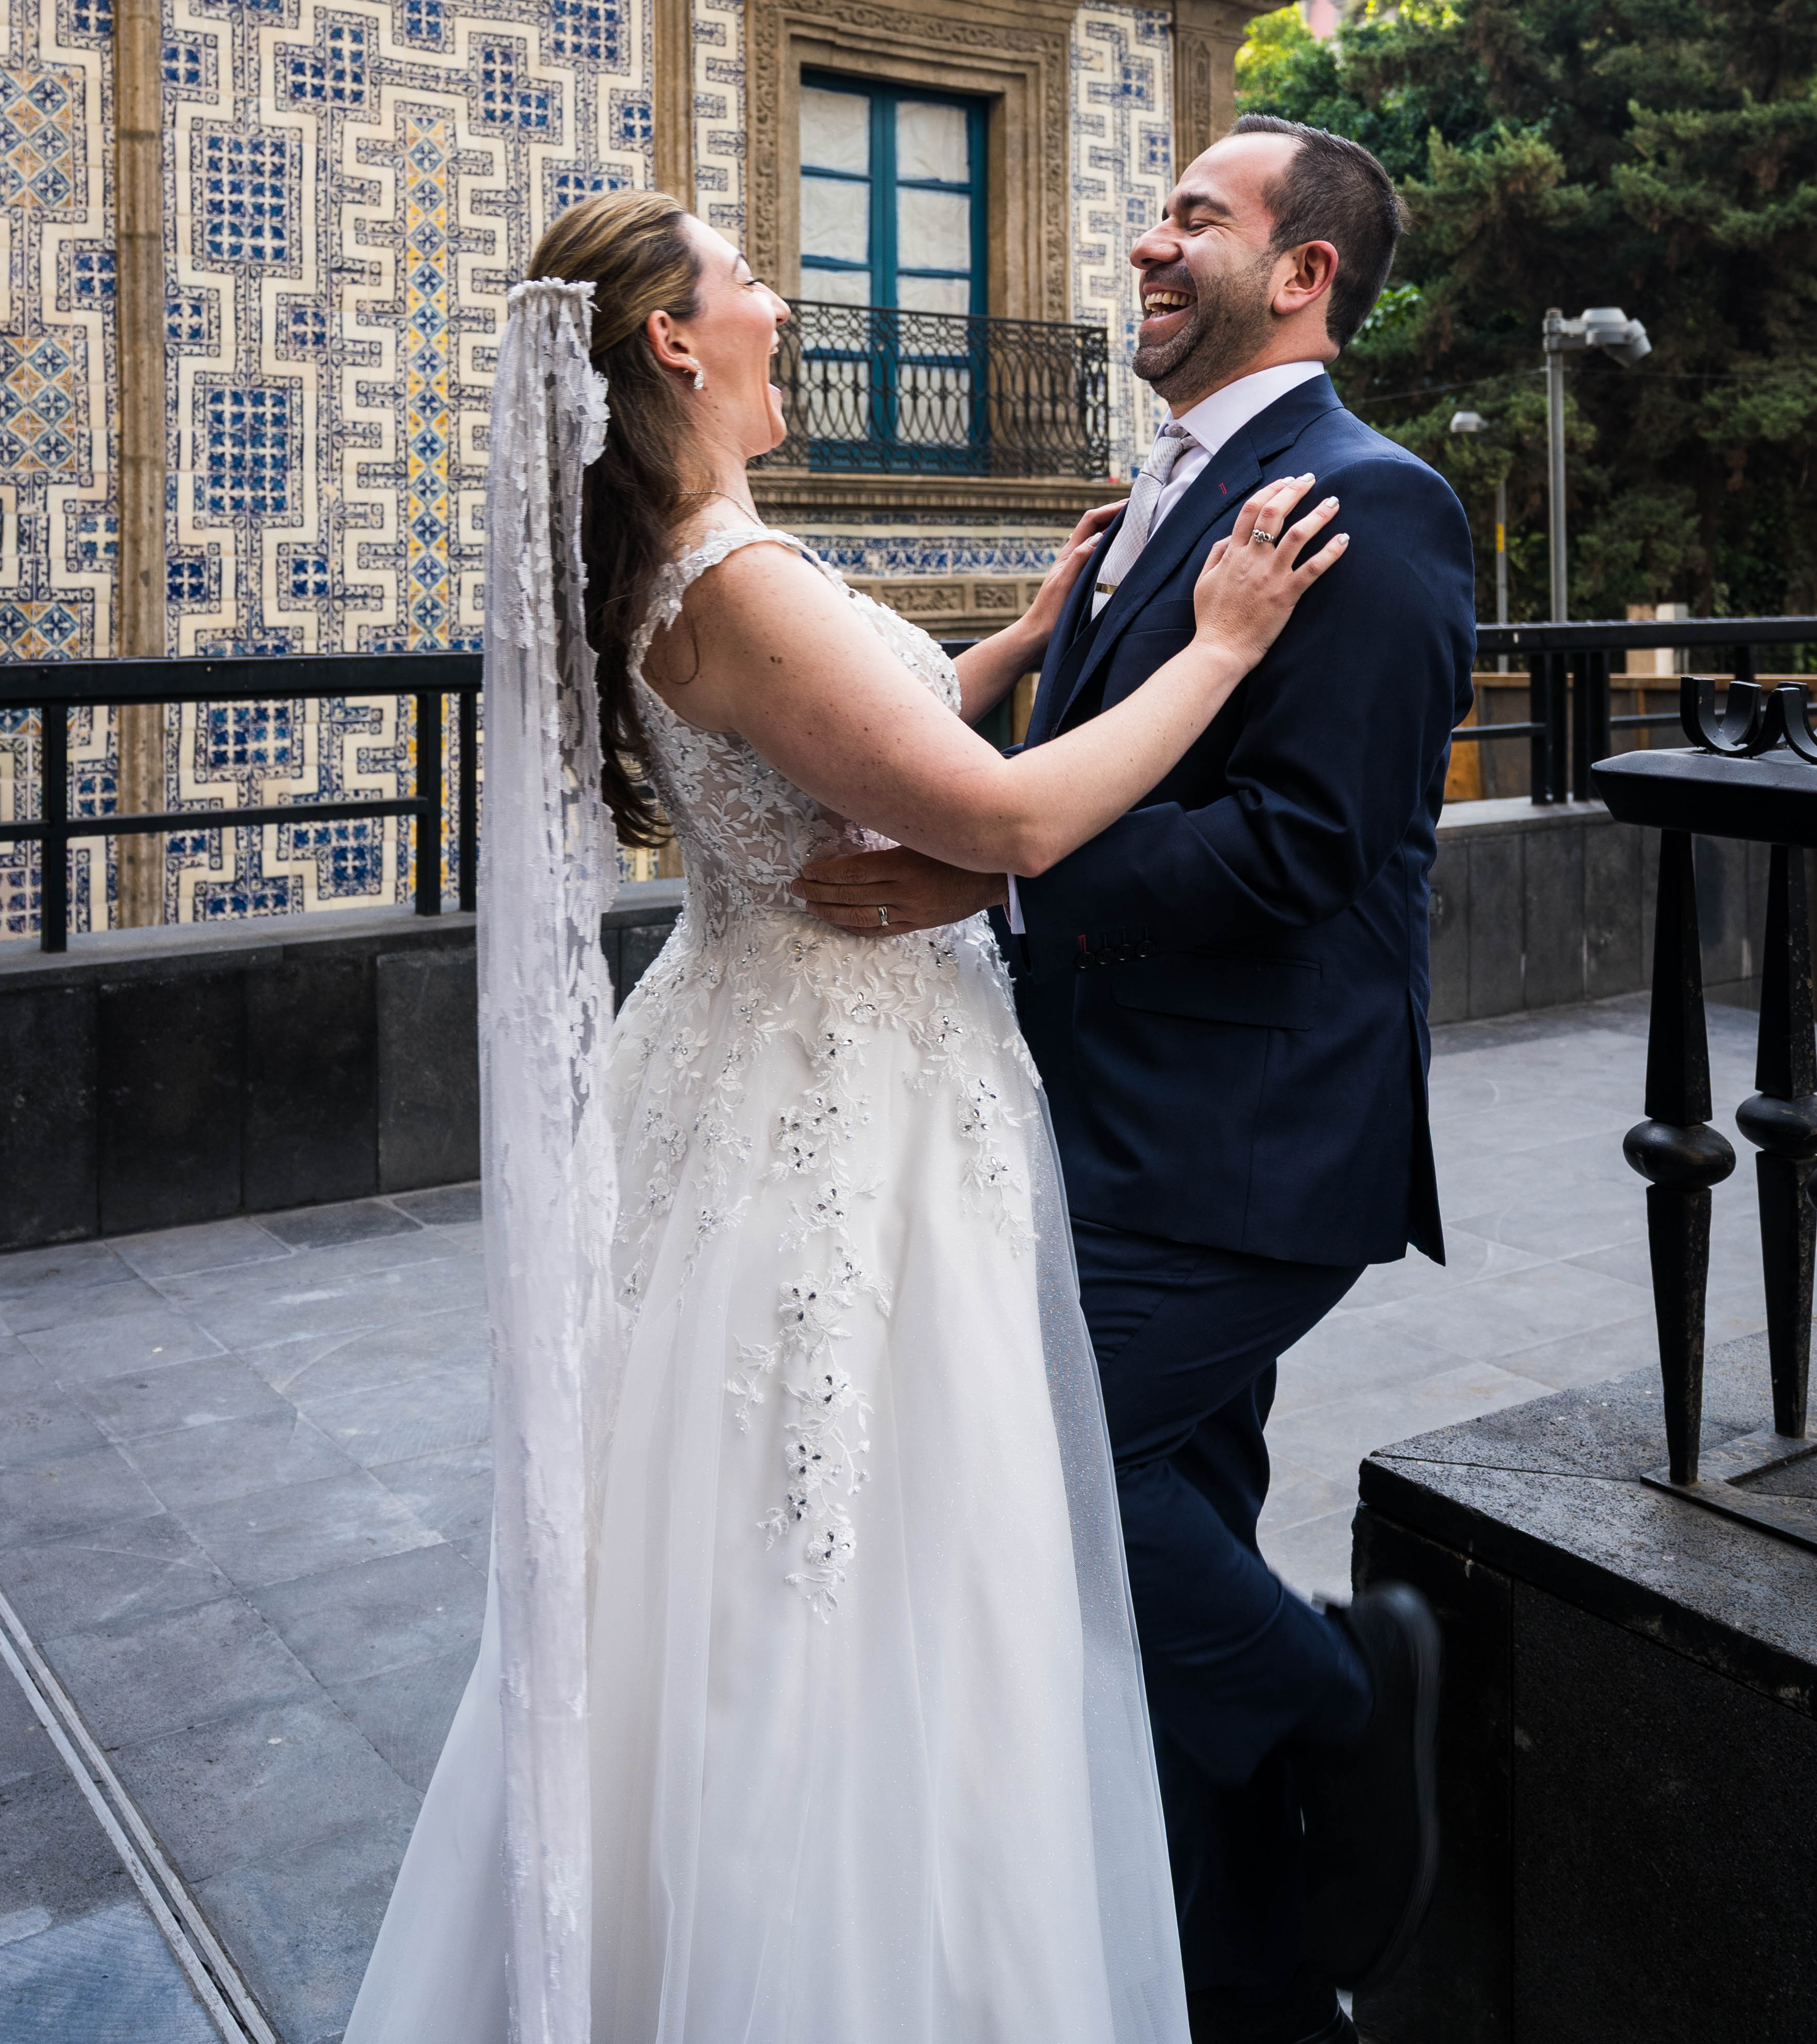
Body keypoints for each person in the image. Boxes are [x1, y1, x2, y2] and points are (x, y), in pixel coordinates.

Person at [343, 185, 1347, 2044]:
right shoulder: (732, 583)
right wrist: (1214, 644)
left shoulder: (701, 560)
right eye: (747, 278)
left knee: (788, 1554)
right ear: (670, 339)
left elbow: (867, 747)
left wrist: (1032, 632)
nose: (783, 300)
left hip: (767, 1060)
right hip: (838, 1112)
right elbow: (1014, 825)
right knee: (859, 1567)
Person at [797, 117, 1477, 2044]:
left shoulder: (1379, 500)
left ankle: (1355, 1703)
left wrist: (998, 865)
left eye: (1199, 218)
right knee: (1166, 1576)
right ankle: (1250, 1979)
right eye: (1155, 211)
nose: (1148, 241)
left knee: (1037, 1473)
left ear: (1306, 273)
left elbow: (1306, 844)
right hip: (1102, 1122)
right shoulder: (1158, 499)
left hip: (1250, 1151)